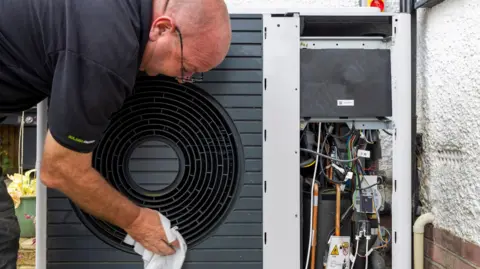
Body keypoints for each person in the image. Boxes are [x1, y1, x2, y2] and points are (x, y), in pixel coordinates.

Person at [0, 0, 232, 268]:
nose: (182, 80)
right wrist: (136, 221)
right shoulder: (107, 51)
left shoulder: (117, 15)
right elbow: (60, 169)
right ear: (162, 27)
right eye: (186, 67)